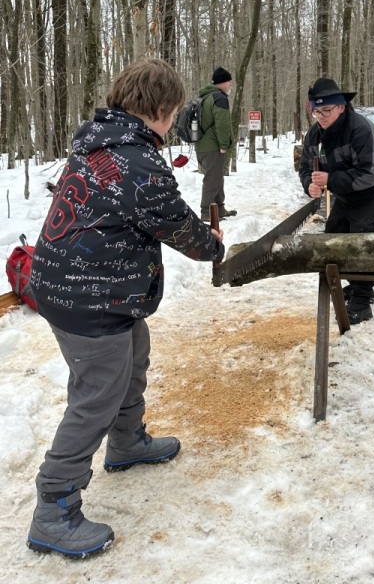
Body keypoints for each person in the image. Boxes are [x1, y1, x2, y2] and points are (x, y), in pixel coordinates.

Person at [27, 58, 225, 558]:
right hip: (86, 295)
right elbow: (178, 227)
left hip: (94, 286)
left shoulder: (101, 141)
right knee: (97, 394)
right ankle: (54, 508)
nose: (173, 122)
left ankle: (127, 441)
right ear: (161, 109)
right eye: (174, 113)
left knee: (134, 355)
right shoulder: (135, 160)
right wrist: (213, 244)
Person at [299, 78, 374, 325]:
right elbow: (305, 167)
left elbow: (369, 174)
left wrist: (330, 179)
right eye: (316, 111)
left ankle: (362, 300)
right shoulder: (315, 135)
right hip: (347, 190)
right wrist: (310, 184)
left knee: (363, 237)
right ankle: (357, 284)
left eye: (326, 110)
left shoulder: (360, 129)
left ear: (341, 107)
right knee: (335, 233)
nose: (321, 116)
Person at [194, 66, 236, 221]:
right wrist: (224, 145)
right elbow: (222, 124)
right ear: (222, 83)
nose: (231, 85)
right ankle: (206, 212)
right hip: (213, 146)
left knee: (216, 177)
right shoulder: (219, 99)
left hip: (203, 145)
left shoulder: (206, 96)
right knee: (212, 179)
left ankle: (219, 208)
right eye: (229, 82)